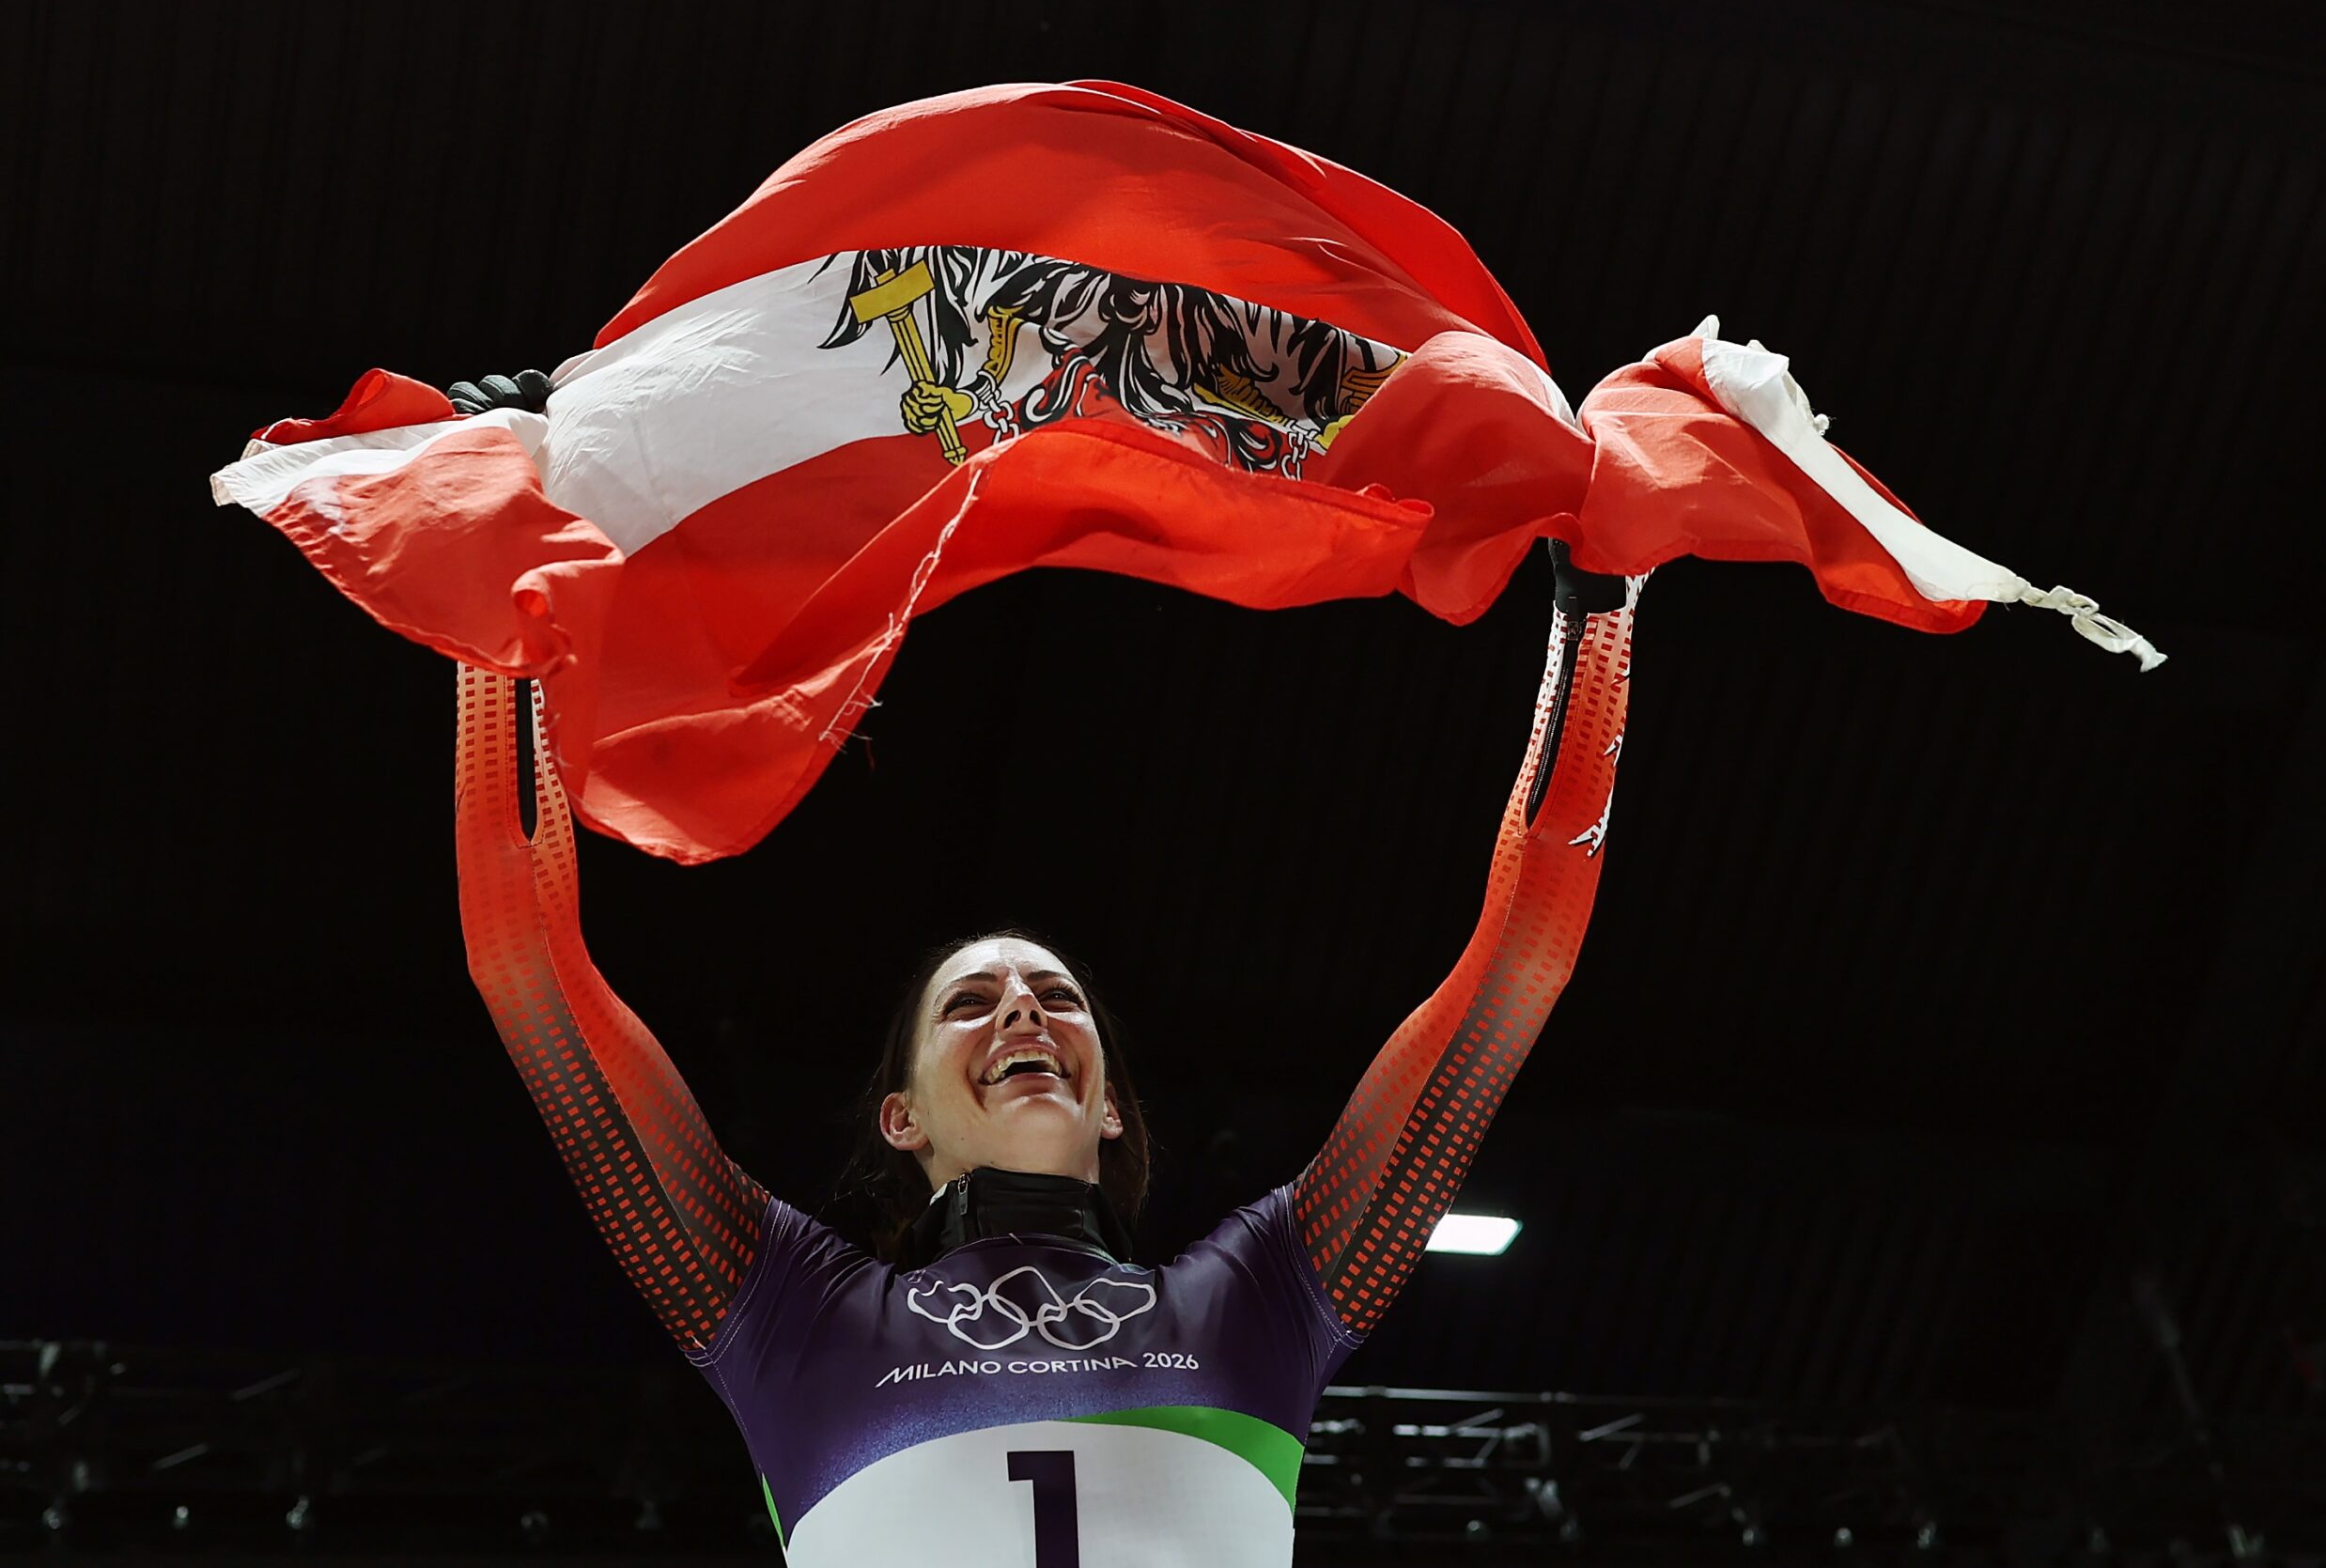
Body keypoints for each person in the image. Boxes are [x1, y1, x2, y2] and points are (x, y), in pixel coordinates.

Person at [455, 525, 1636, 1564]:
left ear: (1110, 1101)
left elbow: (1518, 959)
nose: (1023, 1010)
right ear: (900, 1116)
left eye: (1056, 998)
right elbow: (526, 963)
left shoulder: (1264, 1296)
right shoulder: (786, 1313)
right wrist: (486, 594)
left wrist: (1600, 612)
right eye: (971, 1003)